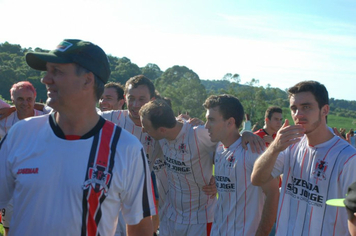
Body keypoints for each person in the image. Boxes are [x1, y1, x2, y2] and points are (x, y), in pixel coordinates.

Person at [0, 39, 156, 236]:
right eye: (47, 71)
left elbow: (141, 228)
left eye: (57, 71)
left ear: (87, 80)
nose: (45, 79)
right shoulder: (20, 134)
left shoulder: (127, 148)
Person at [251, 80, 356, 235]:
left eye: (306, 107)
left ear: (324, 110)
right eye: (294, 108)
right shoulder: (289, 145)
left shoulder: (348, 157)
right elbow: (257, 179)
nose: (298, 114)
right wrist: (274, 148)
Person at [139, 99, 218, 236]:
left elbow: (230, 147)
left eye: (147, 127)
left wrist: (219, 180)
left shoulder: (198, 134)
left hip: (200, 219)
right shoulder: (161, 136)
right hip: (170, 216)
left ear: (162, 130)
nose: (143, 130)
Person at [203, 94, 279, 235]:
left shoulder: (253, 150)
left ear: (230, 122)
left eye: (211, 120)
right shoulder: (219, 147)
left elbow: (273, 193)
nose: (206, 125)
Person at [0, 81, 44, 236]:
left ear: (35, 98)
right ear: (12, 99)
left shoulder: (47, 119)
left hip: (38, 181)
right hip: (9, 179)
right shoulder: (4, 120)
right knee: (10, 228)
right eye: (20, 99)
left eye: (29, 99)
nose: (25, 103)